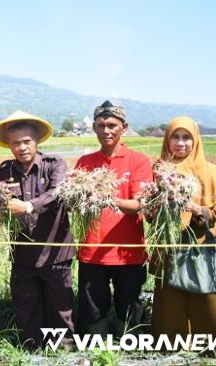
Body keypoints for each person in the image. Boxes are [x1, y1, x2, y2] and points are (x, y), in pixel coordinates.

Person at [0, 111, 75, 349]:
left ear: (37, 142)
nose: (22, 147)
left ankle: (62, 351)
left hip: (56, 251)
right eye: (15, 143)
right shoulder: (6, 170)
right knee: (26, 305)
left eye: (27, 141)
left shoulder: (54, 164)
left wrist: (28, 206)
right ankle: (31, 350)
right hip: (23, 253)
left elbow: (58, 192)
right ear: (9, 145)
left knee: (60, 305)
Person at [74, 100, 152, 336]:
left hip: (128, 251)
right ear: (94, 128)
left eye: (111, 125)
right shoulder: (85, 163)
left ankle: (131, 349)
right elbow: (75, 202)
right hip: (92, 250)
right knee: (92, 310)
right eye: (100, 125)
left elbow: (141, 204)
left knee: (129, 308)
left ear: (124, 127)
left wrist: (108, 199)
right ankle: (98, 351)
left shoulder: (138, 161)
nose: (106, 131)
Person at [151, 116, 216, 338]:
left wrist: (194, 208)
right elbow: (149, 213)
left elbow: (215, 213)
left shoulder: (212, 173)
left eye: (187, 137)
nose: (181, 143)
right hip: (170, 244)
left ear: (196, 140)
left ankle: (210, 341)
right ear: (166, 141)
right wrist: (158, 208)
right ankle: (171, 341)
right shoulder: (159, 172)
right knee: (171, 298)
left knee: (205, 295)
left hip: (201, 245)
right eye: (175, 137)